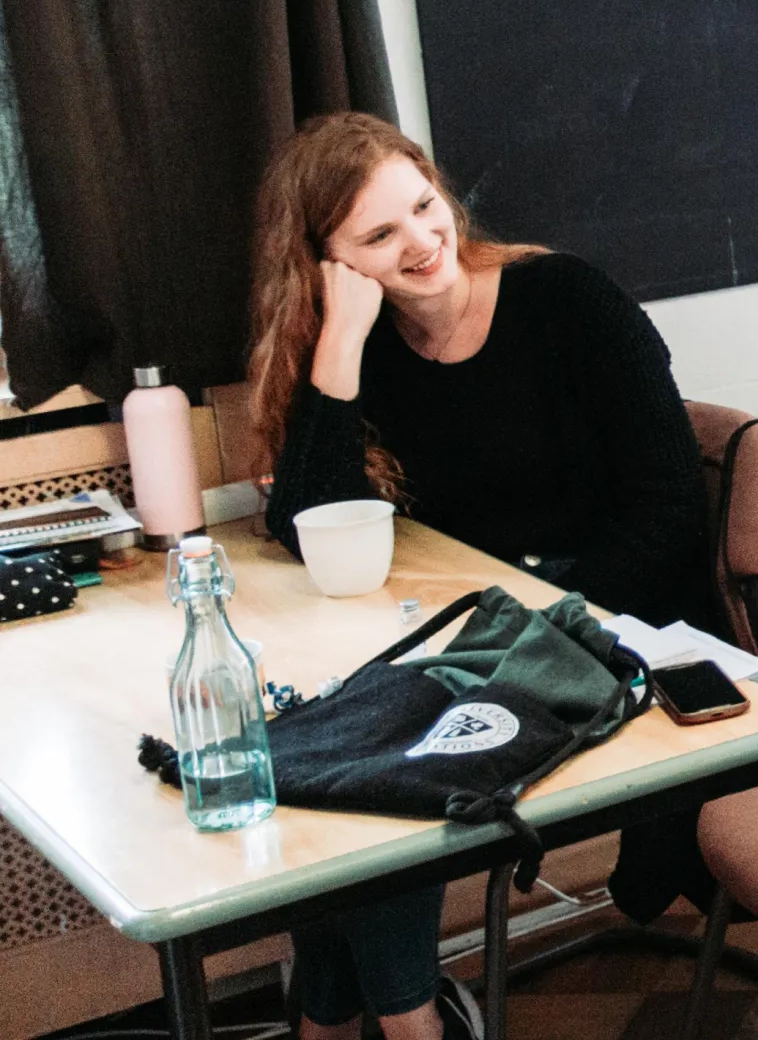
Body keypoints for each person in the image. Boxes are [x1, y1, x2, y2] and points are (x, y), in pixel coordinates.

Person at [253, 113, 718, 1040]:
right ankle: (376, 1013)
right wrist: (339, 343)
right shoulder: (372, 343)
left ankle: (372, 1019)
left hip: (614, 622)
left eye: (424, 207)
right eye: (379, 236)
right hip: (475, 628)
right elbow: (310, 526)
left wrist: (545, 621)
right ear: (329, 264)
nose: (424, 242)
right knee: (337, 733)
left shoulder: (569, 302)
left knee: (382, 750)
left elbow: (671, 511)